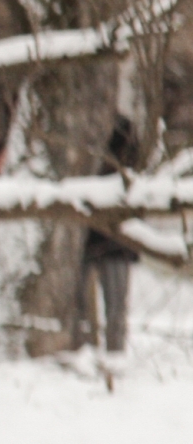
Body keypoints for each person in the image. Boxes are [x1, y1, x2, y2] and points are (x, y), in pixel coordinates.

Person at [80, 118, 140, 353]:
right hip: (90, 240)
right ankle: (89, 353)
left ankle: (114, 354)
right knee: (84, 308)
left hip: (116, 244)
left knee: (114, 308)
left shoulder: (124, 140)